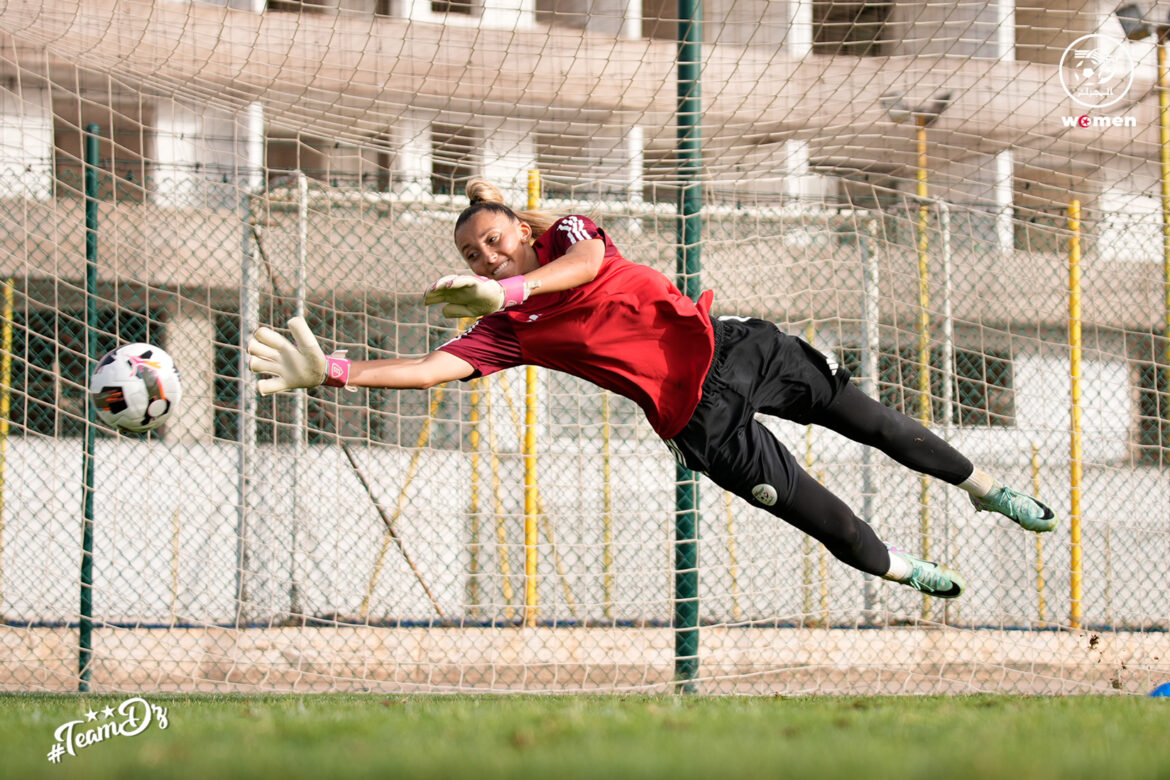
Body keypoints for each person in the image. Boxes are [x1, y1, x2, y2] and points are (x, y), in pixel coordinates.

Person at [246, 179, 1056, 599]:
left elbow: (587, 267)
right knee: (830, 520)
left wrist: (511, 290)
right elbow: (430, 369)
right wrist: (336, 372)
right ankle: (903, 572)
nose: (485, 260)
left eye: (492, 242)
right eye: (472, 257)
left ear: (521, 232)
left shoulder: (564, 236)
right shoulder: (505, 331)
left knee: (873, 421)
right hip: (697, 419)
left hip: (734, 348)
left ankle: (987, 489)